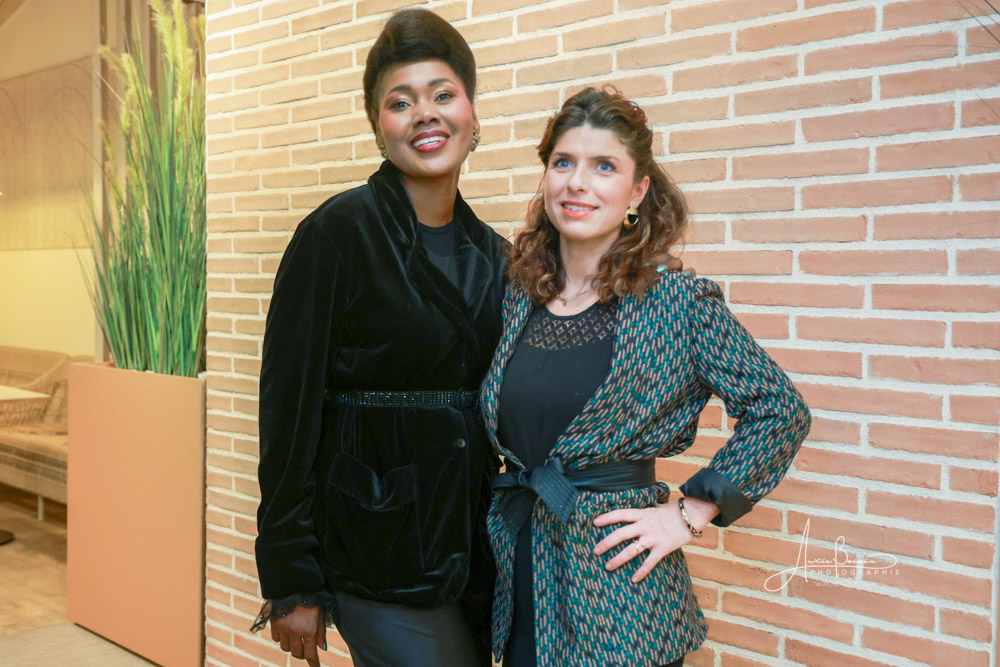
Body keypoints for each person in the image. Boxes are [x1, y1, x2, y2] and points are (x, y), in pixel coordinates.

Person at [479, 88, 811, 667]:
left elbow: (779, 411)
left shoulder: (676, 302)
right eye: (563, 162)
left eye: (603, 166)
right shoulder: (517, 296)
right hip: (522, 571)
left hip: (620, 592)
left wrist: (689, 513)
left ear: (636, 192)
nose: (577, 182)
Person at [251, 9, 504, 667]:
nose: (425, 114)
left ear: (472, 113)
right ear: (376, 125)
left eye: (443, 94)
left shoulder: (496, 255)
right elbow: (287, 412)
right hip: (372, 546)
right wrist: (290, 575)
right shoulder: (336, 234)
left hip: (473, 546)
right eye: (400, 101)